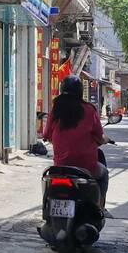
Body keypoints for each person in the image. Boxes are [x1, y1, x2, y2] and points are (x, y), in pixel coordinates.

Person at [43, 75, 111, 216]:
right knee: (104, 173)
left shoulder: (56, 110)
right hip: (86, 167)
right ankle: (100, 207)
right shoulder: (89, 110)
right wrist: (105, 139)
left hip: (61, 167)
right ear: (80, 91)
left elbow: (47, 135)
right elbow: (100, 136)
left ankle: (47, 210)